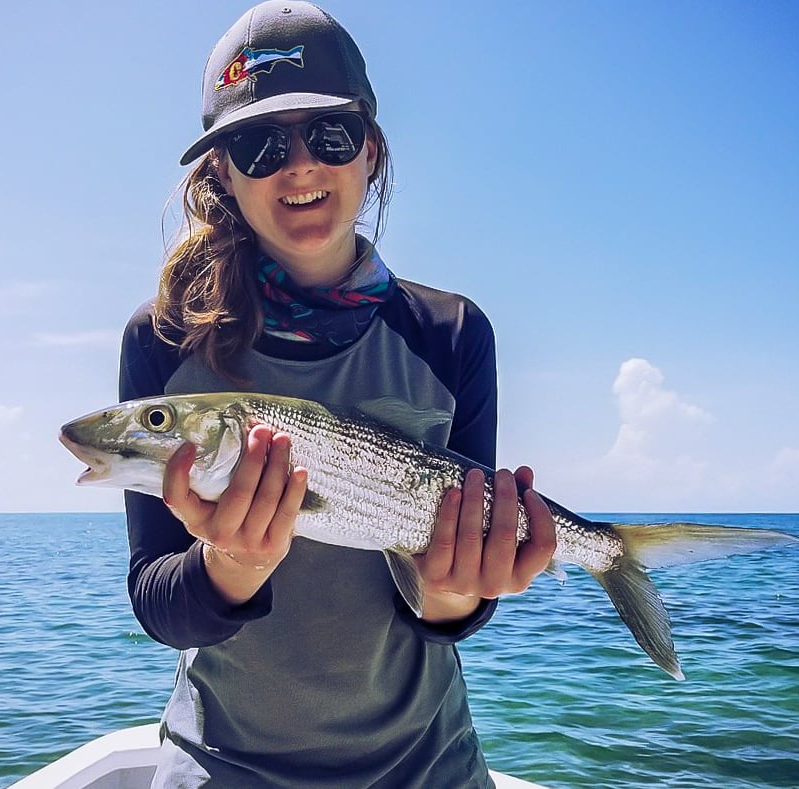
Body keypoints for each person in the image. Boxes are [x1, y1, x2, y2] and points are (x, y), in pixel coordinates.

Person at [118, 2, 557, 786]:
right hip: (221, 761)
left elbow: (441, 608)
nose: (299, 166)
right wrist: (228, 566)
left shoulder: (452, 333)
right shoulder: (161, 341)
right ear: (220, 171)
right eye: (257, 143)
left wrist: (456, 595)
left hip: (425, 763)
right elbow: (157, 599)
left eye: (328, 135)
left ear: (371, 150)